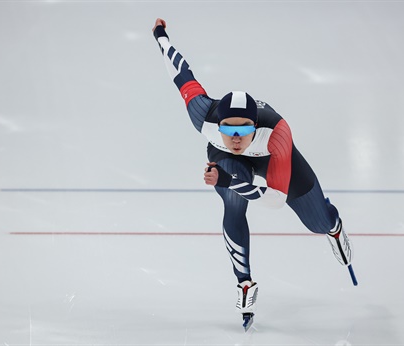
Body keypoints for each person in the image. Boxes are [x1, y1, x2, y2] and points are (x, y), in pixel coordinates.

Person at [151, 18, 354, 325]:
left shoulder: (278, 133)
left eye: (243, 129)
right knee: (233, 199)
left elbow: (274, 200)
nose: (235, 138)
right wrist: (161, 36)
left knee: (317, 223)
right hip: (228, 162)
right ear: (216, 124)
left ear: (254, 126)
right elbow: (180, 72)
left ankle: (333, 225)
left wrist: (227, 180)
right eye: (227, 129)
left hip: (271, 158)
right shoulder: (202, 115)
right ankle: (244, 282)